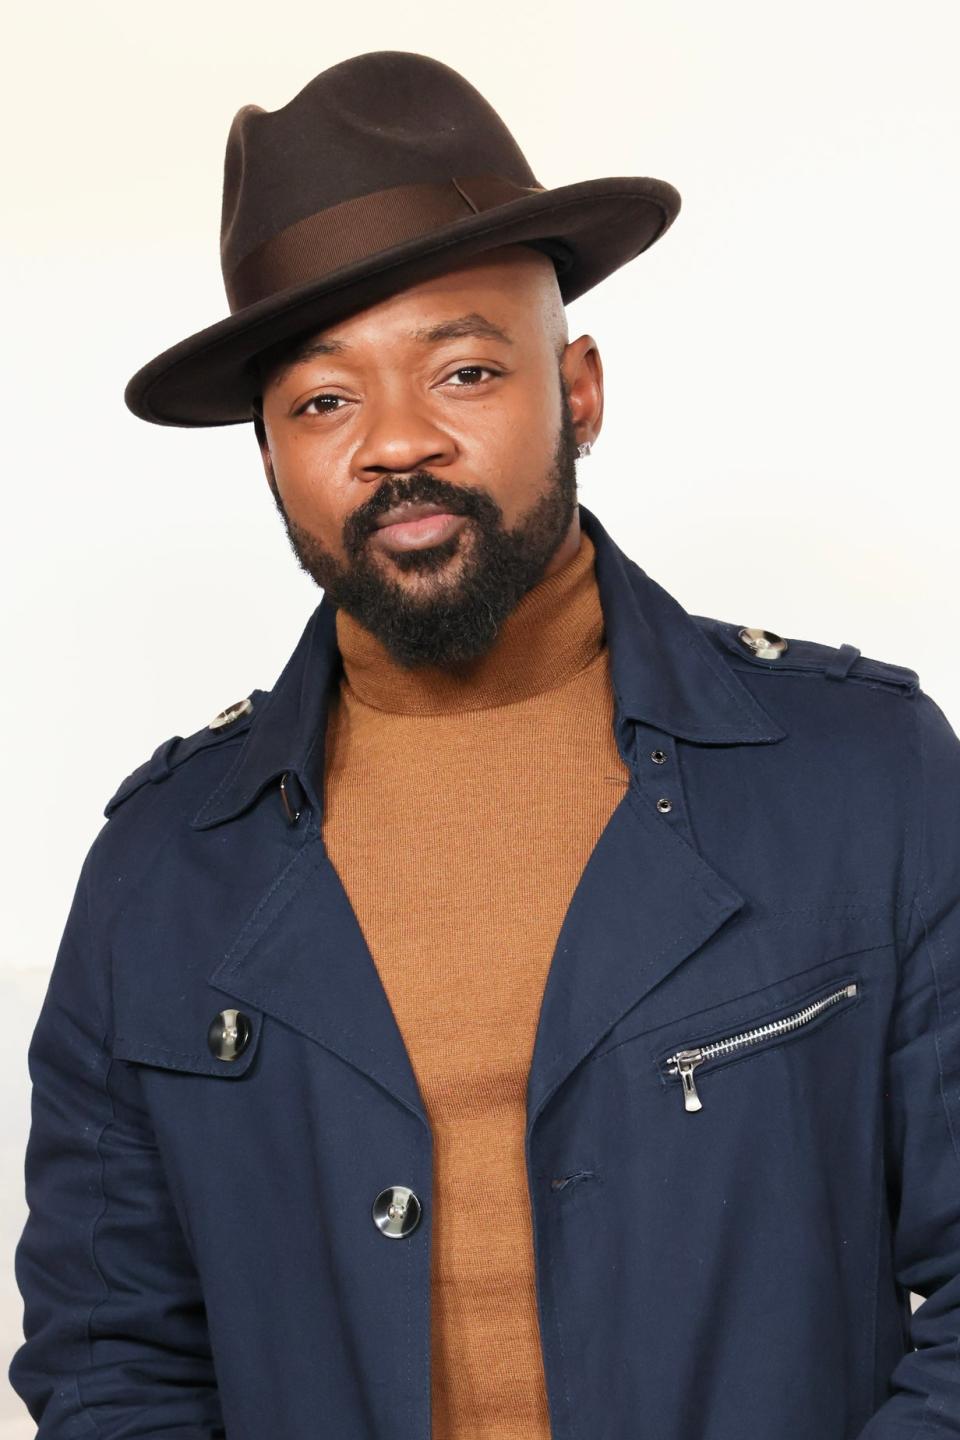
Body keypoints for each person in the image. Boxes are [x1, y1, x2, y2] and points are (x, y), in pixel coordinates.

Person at [9, 47, 960, 1440]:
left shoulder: (863, 780)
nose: (397, 442)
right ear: (270, 454)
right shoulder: (159, 873)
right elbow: (110, 1368)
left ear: (576, 388)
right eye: (324, 400)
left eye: (463, 368)